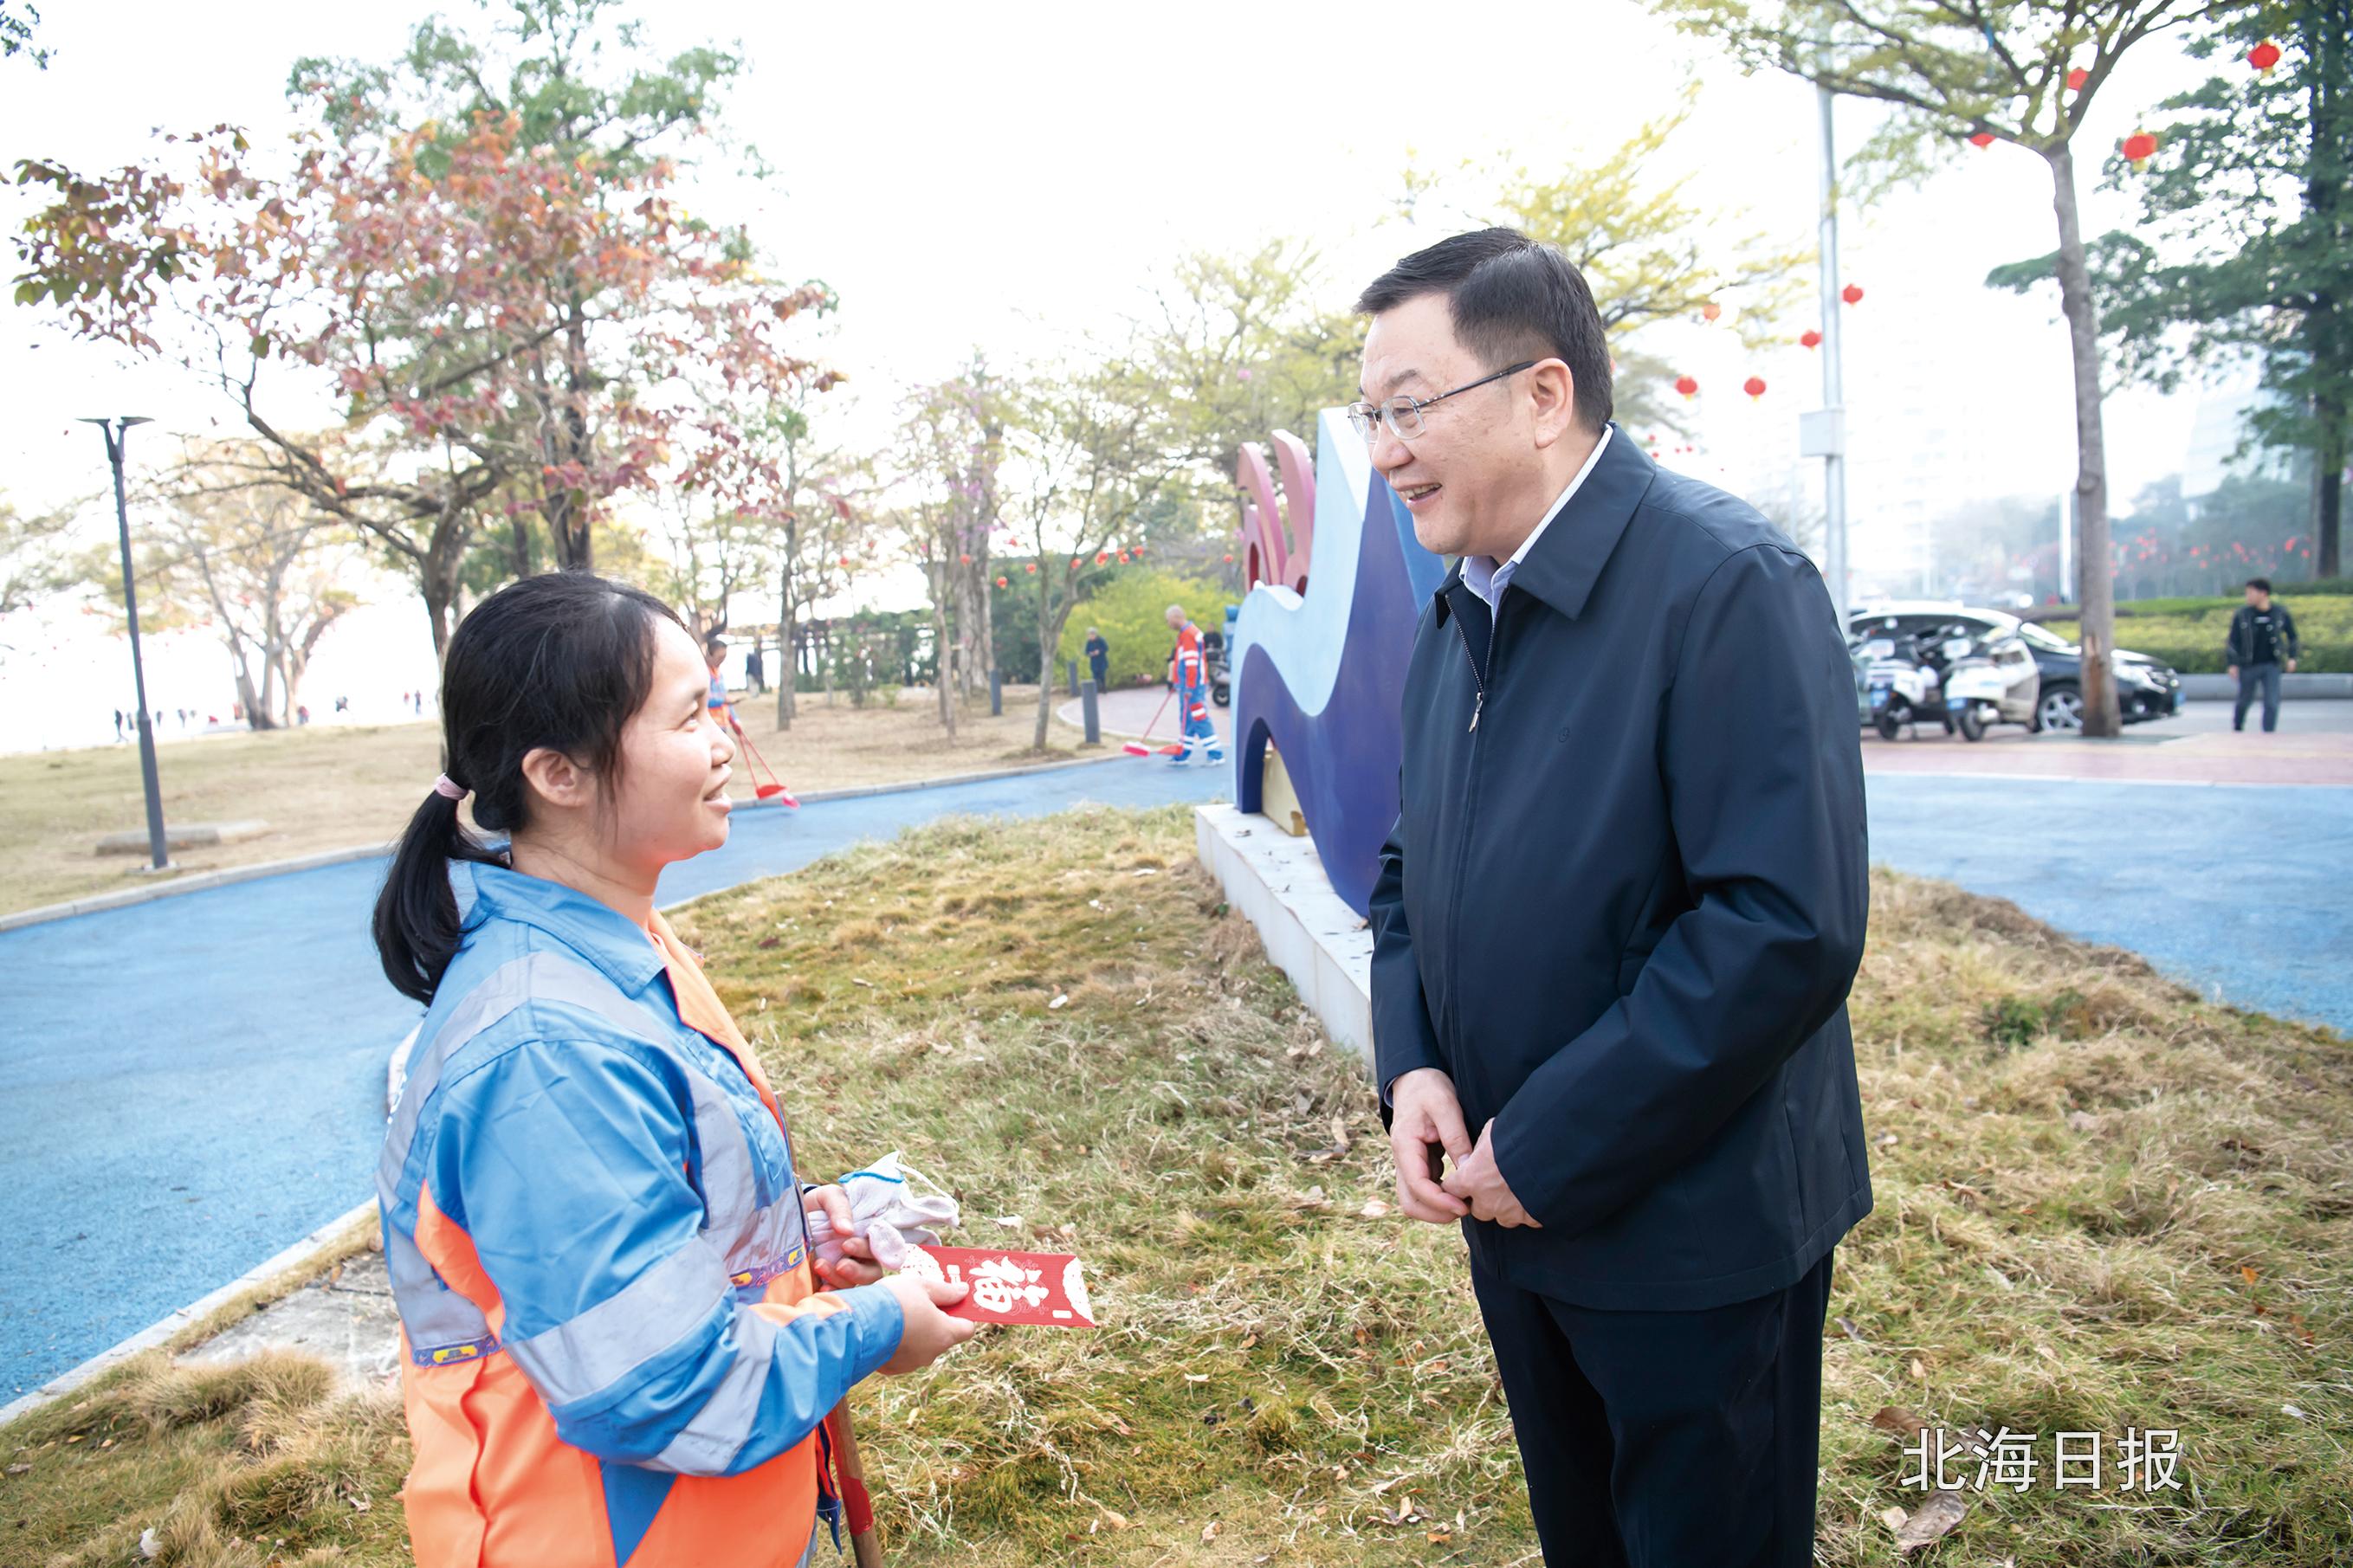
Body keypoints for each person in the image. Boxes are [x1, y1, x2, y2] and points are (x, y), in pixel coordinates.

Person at [1361, 229, 1871, 1568]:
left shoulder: (1724, 583)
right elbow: (1413, 865)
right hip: (1510, 1208)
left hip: (1689, 1233)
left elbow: (1780, 924)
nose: (1384, 449)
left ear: (1542, 393)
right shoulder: (1461, 608)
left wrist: (1557, 1139)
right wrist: (1410, 1058)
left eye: (1410, 407)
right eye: (1373, 415)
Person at [372, 573, 977, 1568]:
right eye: (691, 714)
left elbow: (657, 1218)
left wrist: (798, 1234)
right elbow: (658, 1384)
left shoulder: (621, 937)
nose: (725, 740)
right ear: (558, 773)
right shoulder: (545, 1055)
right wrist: (873, 1325)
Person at [2227, 576, 2299, 733]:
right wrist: (2232, 663)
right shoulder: (2242, 615)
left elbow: (2293, 637)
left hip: (2271, 665)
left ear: (2263, 593)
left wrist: (2292, 657)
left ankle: (2268, 733)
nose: (2248, 597)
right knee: (2244, 701)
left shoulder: (2280, 613)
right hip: (2248, 665)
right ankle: (2238, 727)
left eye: (2251, 593)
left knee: (2271, 702)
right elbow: (2233, 641)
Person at [1163, 604, 1224, 766]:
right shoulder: (1188, 633)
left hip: (1193, 687)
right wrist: (1178, 682)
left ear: (1176, 617)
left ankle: (1216, 754)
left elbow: (1191, 664)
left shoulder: (1188, 635)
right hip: (1189, 685)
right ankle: (1182, 754)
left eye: (1168, 620)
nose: (1168, 624)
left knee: (1199, 718)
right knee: (1187, 719)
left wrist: (1188, 687)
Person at [1083, 626, 1110, 692]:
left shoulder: (1101, 640)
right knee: (1095, 676)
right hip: (1094, 662)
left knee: (1102, 675)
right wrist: (1090, 653)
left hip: (1101, 661)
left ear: (1095, 634)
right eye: (1090, 634)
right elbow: (1086, 652)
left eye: (1092, 634)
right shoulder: (1089, 642)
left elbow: (1106, 648)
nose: (1091, 636)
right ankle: (1096, 690)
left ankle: (1104, 688)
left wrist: (1099, 651)